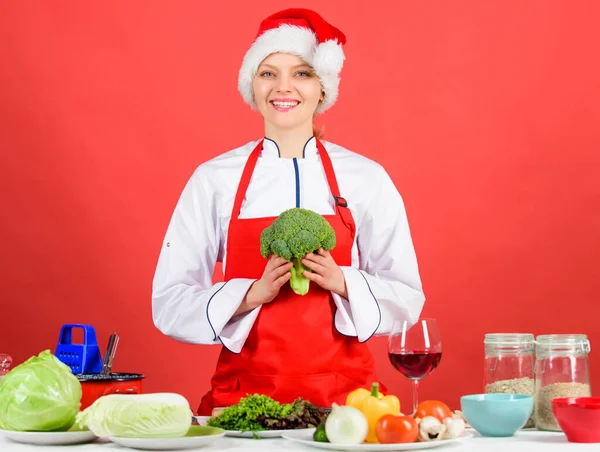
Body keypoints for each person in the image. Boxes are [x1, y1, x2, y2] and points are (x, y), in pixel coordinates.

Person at [152, 8, 426, 416]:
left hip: (349, 404)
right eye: (268, 73)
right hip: (242, 402)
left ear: (322, 89)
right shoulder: (213, 179)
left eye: (301, 73)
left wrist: (343, 281)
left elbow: (407, 297)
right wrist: (249, 294)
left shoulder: (367, 178)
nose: (284, 87)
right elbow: (169, 301)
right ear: (251, 86)